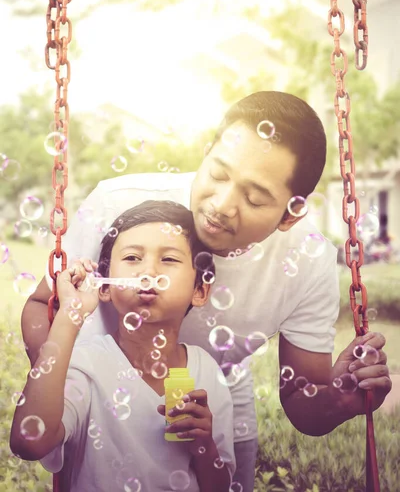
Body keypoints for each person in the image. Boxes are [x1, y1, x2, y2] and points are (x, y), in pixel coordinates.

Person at [20, 91, 392, 492]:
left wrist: (338, 399)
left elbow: (305, 405)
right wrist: (67, 383)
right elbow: (43, 305)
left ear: (291, 213)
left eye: (254, 197)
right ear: (207, 150)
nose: (222, 205)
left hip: (212, 390)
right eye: (217, 174)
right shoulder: (120, 205)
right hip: (100, 387)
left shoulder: (308, 260)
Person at [10, 200, 236, 492]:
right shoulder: (86, 366)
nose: (148, 271)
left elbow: (220, 486)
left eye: (169, 259)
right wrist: (71, 314)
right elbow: (29, 443)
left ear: (200, 289)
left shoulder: (206, 371)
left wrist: (204, 446)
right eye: (132, 258)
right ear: (104, 286)